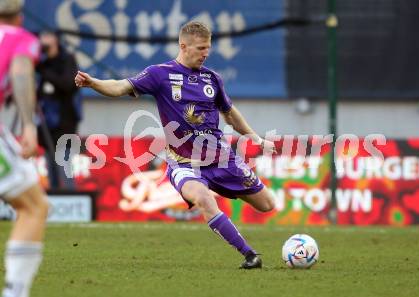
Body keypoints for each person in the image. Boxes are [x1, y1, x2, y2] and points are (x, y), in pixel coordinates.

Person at [75, 21, 276, 269]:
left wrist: (255, 138)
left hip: (222, 159)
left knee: (267, 205)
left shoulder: (212, 79)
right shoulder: (159, 74)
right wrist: (94, 83)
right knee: (203, 199)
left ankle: (224, 188)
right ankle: (249, 254)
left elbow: (230, 113)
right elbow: (121, 86)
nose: (206, 53)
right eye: (201, 48)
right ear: (183, 45)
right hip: (185, 164)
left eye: (208, 48)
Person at [0, 0, 49, 296]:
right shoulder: (19, 39)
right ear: (20, 16)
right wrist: (28, 126)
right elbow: (20, 74)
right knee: (34, 207)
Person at [36, 30, 80, 190]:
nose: (43, 39)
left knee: (65, 166)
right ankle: (55, 204)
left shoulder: (67, 60)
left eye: (46, 36)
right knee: (51, 168)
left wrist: (46, 73)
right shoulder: (41, 64)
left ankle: (72, 201)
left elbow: (69, 84)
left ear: (55, 39)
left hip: (64, 123)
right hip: (46, 125)